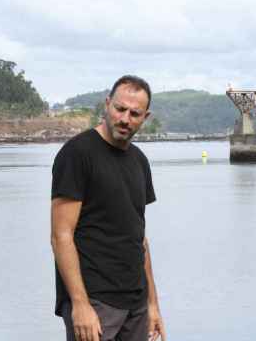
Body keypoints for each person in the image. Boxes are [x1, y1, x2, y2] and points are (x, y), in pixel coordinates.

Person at [50, 75, 166, 341]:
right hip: (95, 302)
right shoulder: (77, 154)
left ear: (145, 117)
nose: (125, 119)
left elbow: (139, 238)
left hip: (136, 304)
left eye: (134, 113)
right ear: (107, 104)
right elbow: (61, 235)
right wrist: (79, 304)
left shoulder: (139, 161)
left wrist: (152, 304)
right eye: (120, 109)